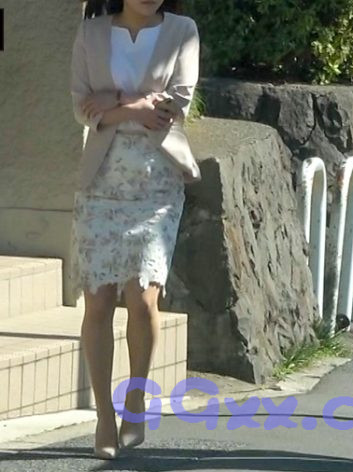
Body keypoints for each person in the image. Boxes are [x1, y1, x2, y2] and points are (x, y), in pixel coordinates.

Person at [69, 0, 199, 459]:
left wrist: (116, 103)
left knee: (143, 298)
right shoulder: (91, 32)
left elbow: (176, 103)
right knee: (98, 300)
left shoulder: (182, 30)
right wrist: (134, 106)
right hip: (100, 182)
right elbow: (82, 106)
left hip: (156, 182)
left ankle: (136, 397)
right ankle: (105, 416)